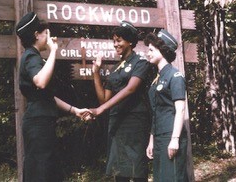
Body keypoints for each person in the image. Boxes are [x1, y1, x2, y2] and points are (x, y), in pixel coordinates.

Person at [15, 12, 91, 182]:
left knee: (48, 171)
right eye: (46, 33)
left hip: (42, 121)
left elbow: (47, 96)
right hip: (38, 124)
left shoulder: (33, 58)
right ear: (37, 35)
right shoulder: (31, 57)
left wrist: (74, 110)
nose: (49, 37)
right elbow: (41, 82)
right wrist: (53, 51)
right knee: (41, 172)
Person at [90, 21, 151, 182]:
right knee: (119, 171)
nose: (116, 44)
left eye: (119, 40)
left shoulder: (141, 62)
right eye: (114, 41)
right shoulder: (115, 69)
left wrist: (101, 110)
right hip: (117, 122)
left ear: (130, 41)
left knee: (137, 170)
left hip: (134, 122)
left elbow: (131, 88)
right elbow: (104, 98)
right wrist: (96, 73)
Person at [144, 29, 188, 182]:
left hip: (171, 135)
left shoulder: (175, 76)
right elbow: (156, 112)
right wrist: (152, 140)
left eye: (151, 50)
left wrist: (175, 139)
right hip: (159, 137)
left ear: (162, 51)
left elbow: (180, 109)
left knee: (174, 177)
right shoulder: (157, 79)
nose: (147, 53)